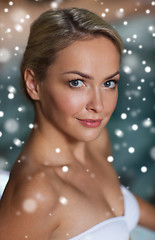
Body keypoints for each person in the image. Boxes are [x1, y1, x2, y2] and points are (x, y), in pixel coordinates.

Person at [0, 7, 154, 240]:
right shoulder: (37, 194)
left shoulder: (94, 142)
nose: (98, 106)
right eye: (77, 83)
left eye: (109, 83)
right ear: (34, 84)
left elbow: (118, 207)